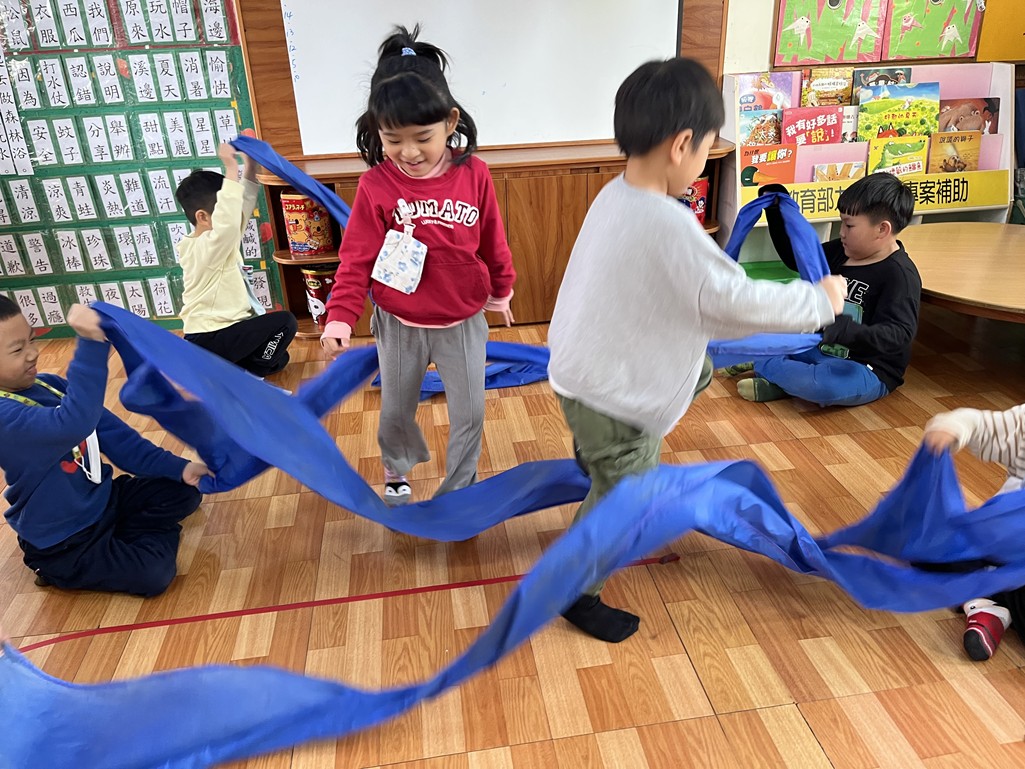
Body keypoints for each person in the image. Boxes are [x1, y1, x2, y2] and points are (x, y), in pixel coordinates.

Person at [547, 57, 847, 643]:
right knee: (628, 495)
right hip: (614, 399)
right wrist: (818, 301)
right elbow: (735, 301)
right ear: (682, 144)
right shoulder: (670, 226)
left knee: (698, 369)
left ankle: (594, 454)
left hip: (579, 371)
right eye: (708, 149)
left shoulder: (613, 196)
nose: (705, 160)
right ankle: (575, 588)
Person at [320, 25, 516, 506]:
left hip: (462, 320)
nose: (408, 152)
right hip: (400, 321)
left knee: (471, 413)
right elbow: (356, 257)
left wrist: (501, 289)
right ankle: (397, 468)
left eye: (422, 138)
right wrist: (340, 316)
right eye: (393, 140)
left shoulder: (474, 173)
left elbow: (493, 237)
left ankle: (459, 491)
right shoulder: (375, 186)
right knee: (396, 412)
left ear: (450, 122)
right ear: (377, 132)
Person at [0, 298, 210, 597]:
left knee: (184, 492)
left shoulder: (50, 385)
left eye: (32, 340)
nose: (33, 353)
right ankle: (66, 565)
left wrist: (180, 468)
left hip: (103, 501)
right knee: (154, 574)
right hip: (65, 540)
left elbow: (120, 440)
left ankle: (122, 537)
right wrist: (90, 344)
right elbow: (73, 423)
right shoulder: (4, 417)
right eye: (17, 349)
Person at [724, 174, 921, 407]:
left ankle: (764, 364)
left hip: (865, 367)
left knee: (821, 385)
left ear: (882, 229)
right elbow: (795, 257)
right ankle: (778, 374)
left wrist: (847, 331)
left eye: (849, 225)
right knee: (769, 329)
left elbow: (899, 335)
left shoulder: (900, 275)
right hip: (817, 347)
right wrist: (776, 210)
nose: (842, 232)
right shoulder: (841, 251)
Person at [175, 142, 297, 378]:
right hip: (209, 337)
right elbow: (230, 222)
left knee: (279, 358)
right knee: (285, 323)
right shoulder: (205, 247)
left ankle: (233, 368)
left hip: (225, 333)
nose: (230, 215)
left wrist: (250, 166)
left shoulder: (220, 241)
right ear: (203, 217)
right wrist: (231, 167)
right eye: (223, 210)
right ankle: (249, 375)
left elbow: (242, 207)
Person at [923, 403, 1025, 661]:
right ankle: (986, 603)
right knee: (929, 544)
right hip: (996, 543)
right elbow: (982, 425)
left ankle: (986, 601)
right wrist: (951, 428)